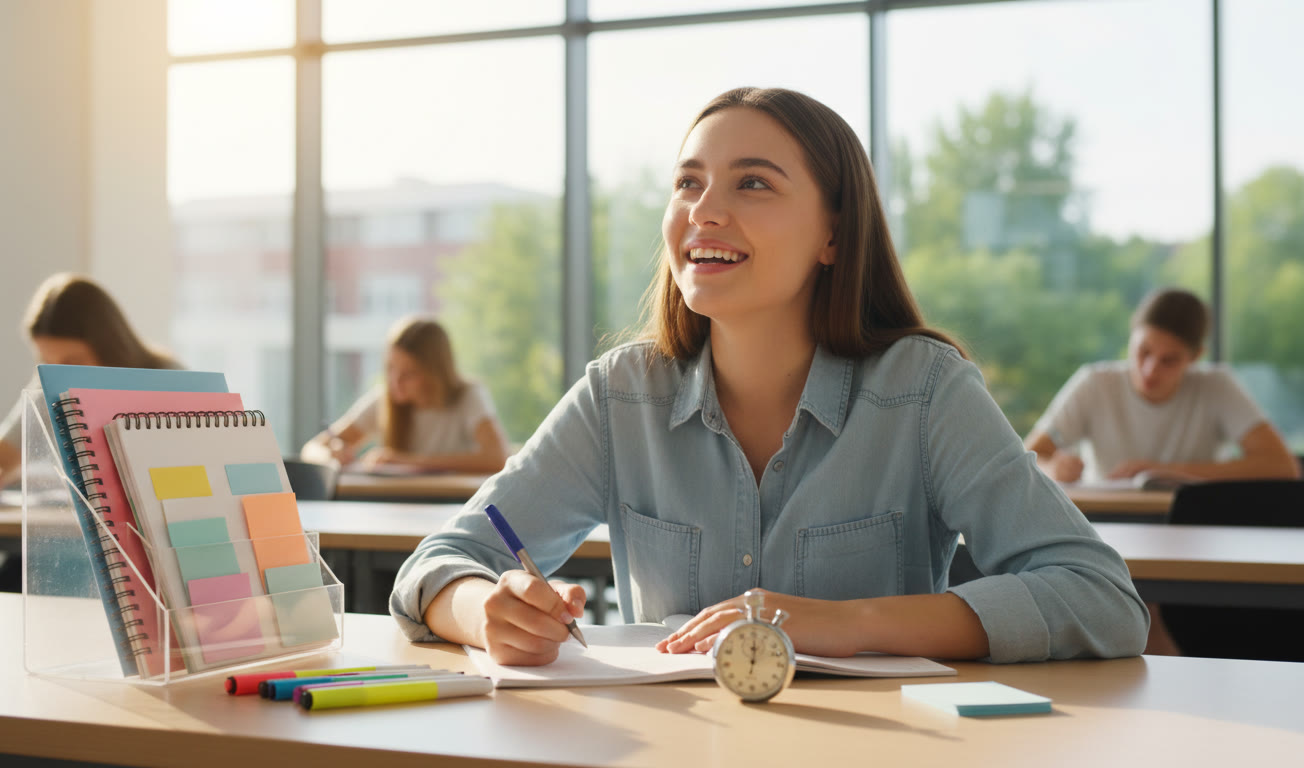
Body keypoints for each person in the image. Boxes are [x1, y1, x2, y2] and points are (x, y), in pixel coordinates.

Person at [391, 87, 1148, 666]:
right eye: (688, 184)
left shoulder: (923, 388)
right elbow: (437, 565)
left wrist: (845, 624)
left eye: (751, 184)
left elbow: (1102, 599)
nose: (704, 211)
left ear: (832, 234)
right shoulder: (621, 395)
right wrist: (483, 611)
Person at [0, 273, 180, 590]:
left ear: (110, 347)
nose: (58, 372)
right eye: (46, 361)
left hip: (139, 563)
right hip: (52, 558)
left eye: (73, 360)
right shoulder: (47, 387)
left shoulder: (167, 379)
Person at [1024, 288, 1300, 486]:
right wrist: (1053, 468)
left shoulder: (1216, 386)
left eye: (1169, 360)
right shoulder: (1094, 383)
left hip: (1193, 521)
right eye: (1143, 352)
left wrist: (1163, 472)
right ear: (1131, 336)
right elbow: (1029, 457)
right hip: (1105, 523)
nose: (1150, 370)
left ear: (1194, 357)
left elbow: (1281, 466)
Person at [301, 317, 509, 475]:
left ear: (435, 373)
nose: (395, 381)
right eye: (391, 368)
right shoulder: (384, 400)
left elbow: (497, 458)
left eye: (409, 374)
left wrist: (407, 461)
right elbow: (312, 449)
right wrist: (332, 456)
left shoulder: (468, 396)